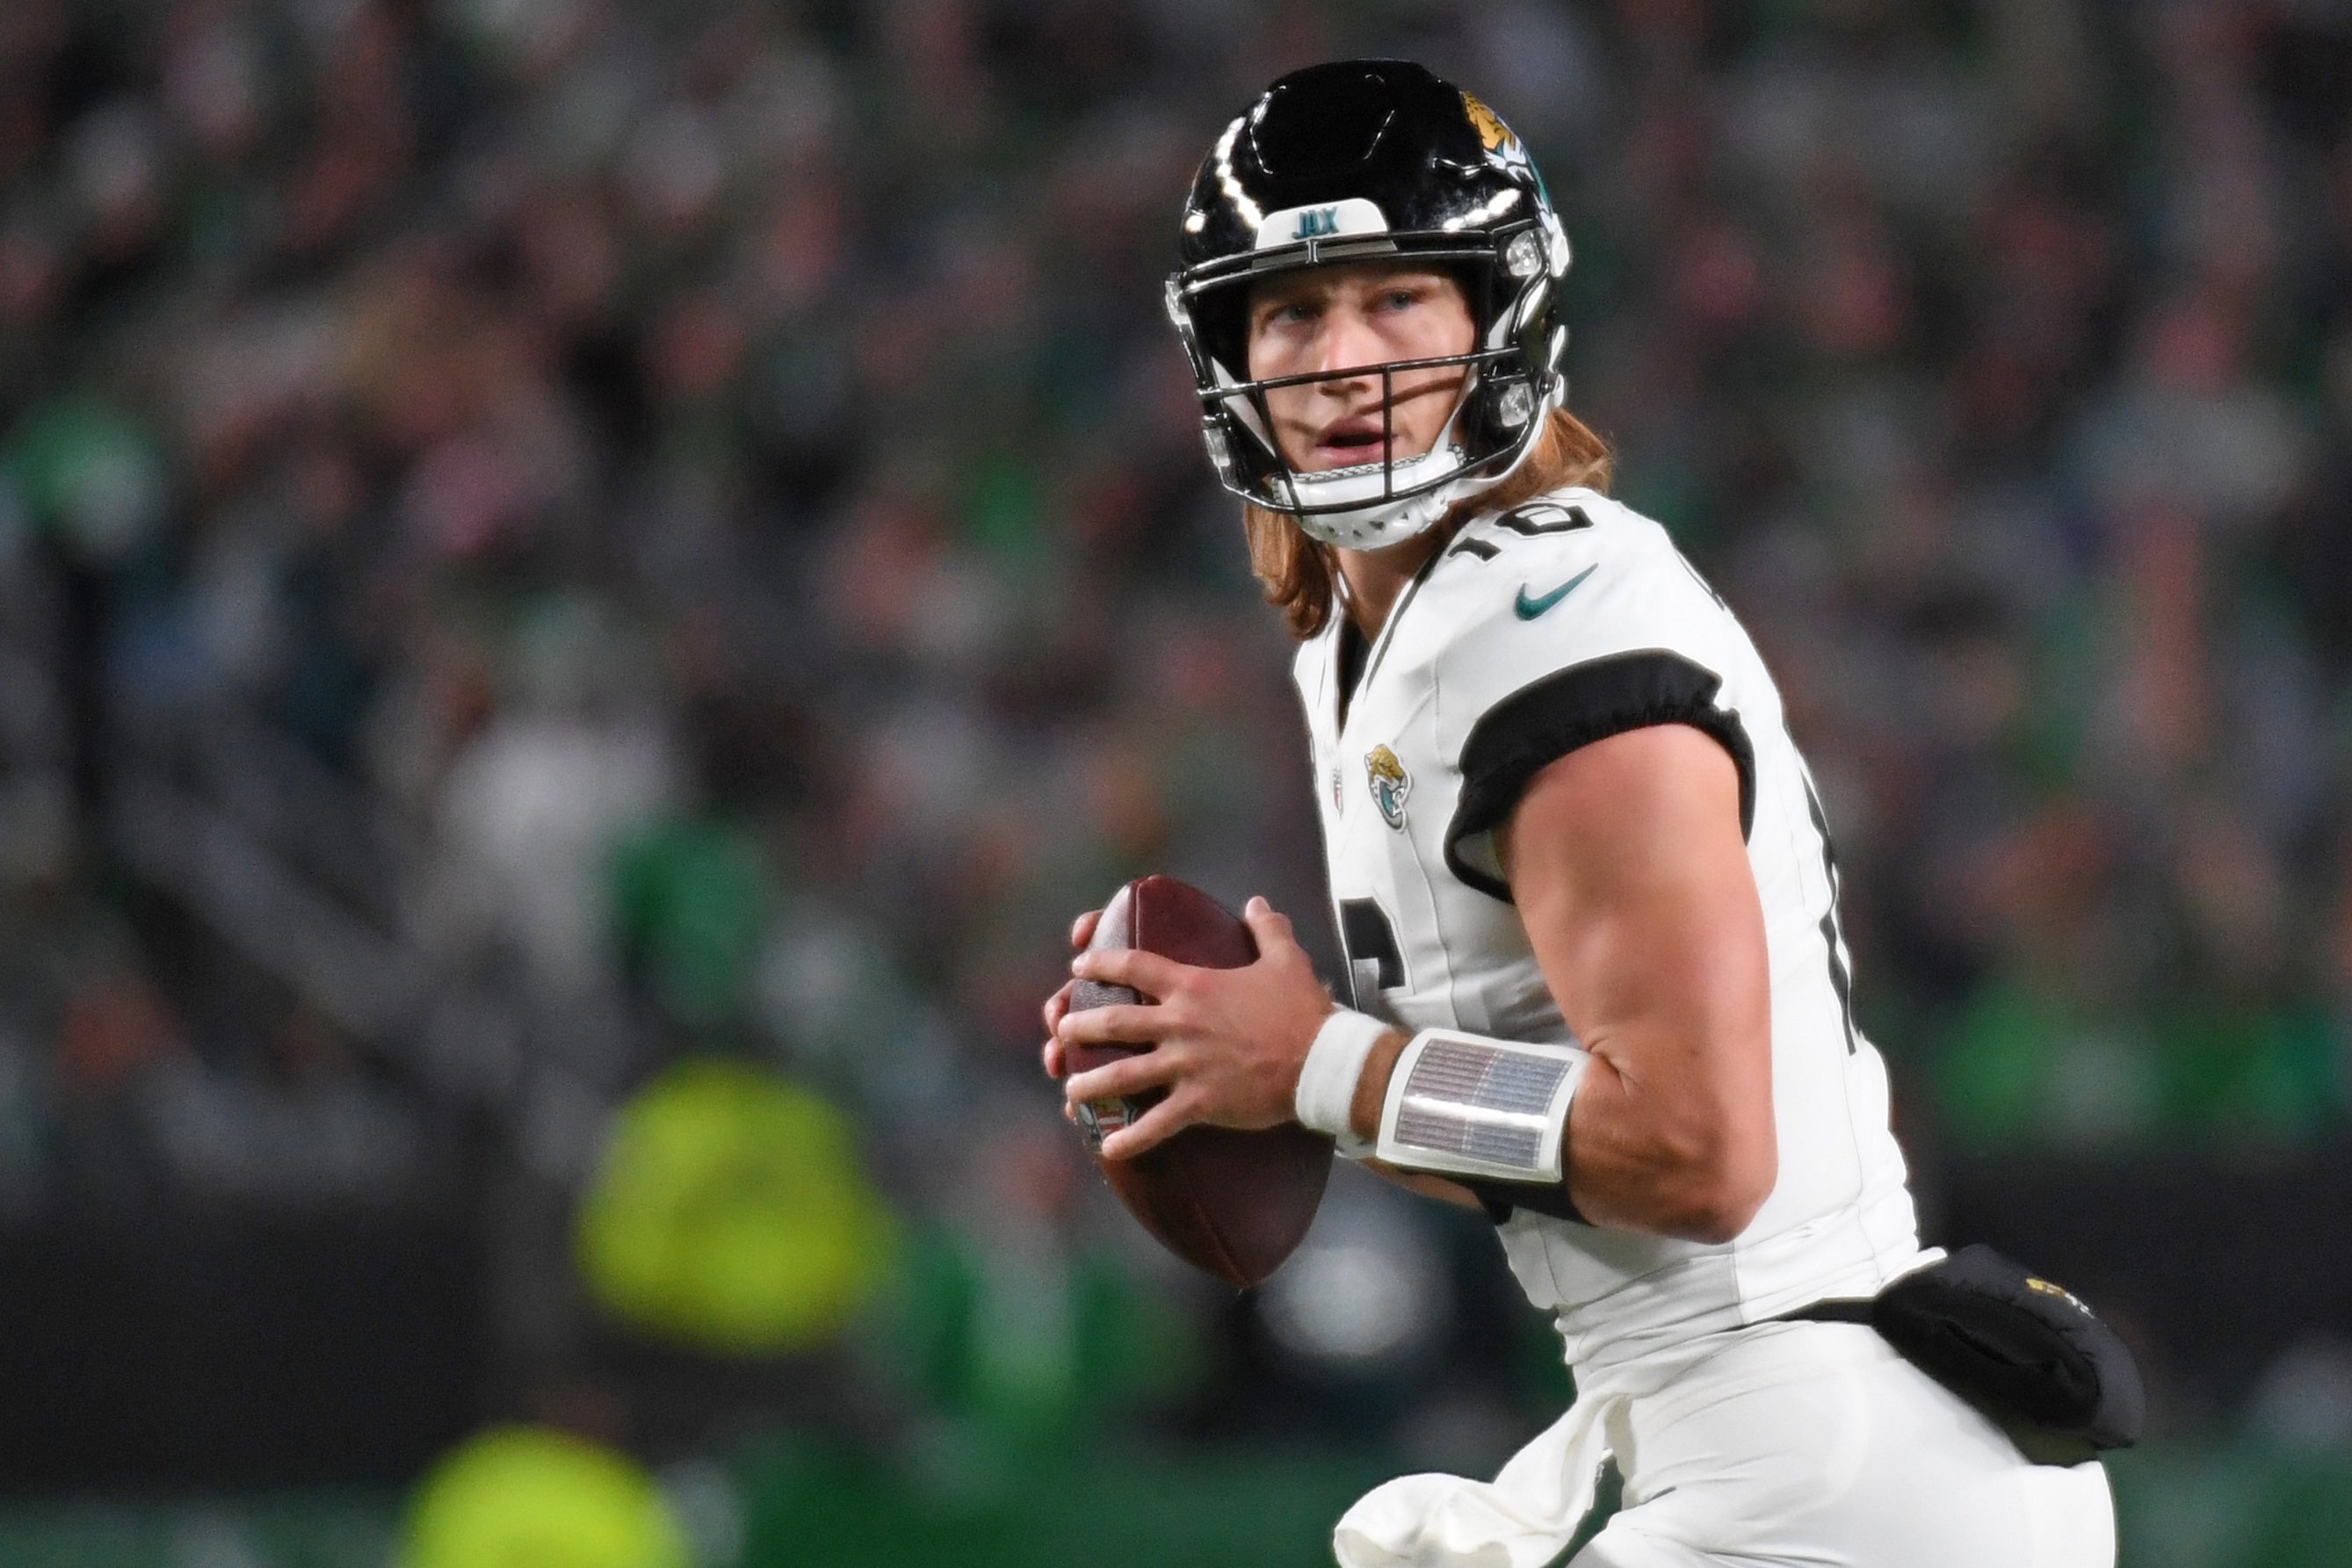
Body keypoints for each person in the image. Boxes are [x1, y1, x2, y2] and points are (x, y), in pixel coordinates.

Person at [1040, 59, 2116, 1568]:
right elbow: (1559, 1128)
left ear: (1496, 319)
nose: (1341, 358)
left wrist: (1322, 1062)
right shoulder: (1386, 636)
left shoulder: (1546, 621)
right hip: (1779, 1447)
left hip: (1820, 1466)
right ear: (1230, 354)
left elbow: (1690, 1148)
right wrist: (1262, 1078)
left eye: (1396, 299)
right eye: (1290, 312)